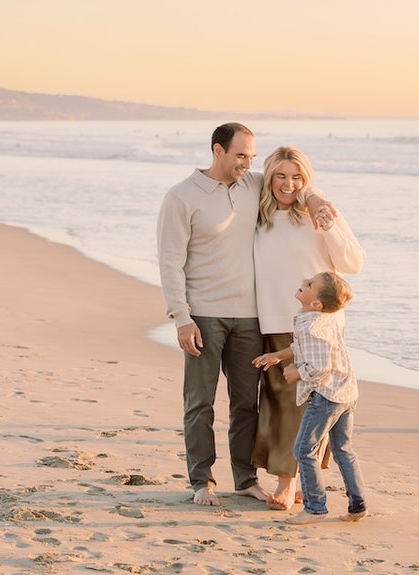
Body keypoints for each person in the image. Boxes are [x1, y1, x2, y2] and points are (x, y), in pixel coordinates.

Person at [156, 123, 332, 507]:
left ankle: (244, 478)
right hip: (202, 315)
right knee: (200, 402)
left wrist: (316, 199)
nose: (247, 163)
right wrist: (181, 317)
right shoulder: (181, 197)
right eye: (240, 155)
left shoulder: (254, 185)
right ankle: (201, 481)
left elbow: (293, 182)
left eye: (252, 157)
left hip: (250, 317)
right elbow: (170, 262)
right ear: (217, 150)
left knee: (245, 403)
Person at [253, 146, 365, 510]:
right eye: (281, 176)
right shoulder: (259, 214)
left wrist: (324, 216)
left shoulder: (320, 213)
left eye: (297, 177)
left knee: (314, 404)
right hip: (274, 319)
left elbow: (353, 262)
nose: (288, 184)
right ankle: (300, 476)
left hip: (319, 326)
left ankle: (289, 483)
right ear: (269, 175)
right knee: (283, 404)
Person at [253, 272, 367, 525]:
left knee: (304, 450)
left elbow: (319, 367)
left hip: (327, 396)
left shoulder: (310, 326)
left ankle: (315, 507)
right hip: (346, 392)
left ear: (316, 303)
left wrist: (296, 372)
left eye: (309, 285)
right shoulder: (323, 319)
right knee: (343, 450)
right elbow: (301, 348)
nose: (302, 282)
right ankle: (358, 504)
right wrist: (277, 356)